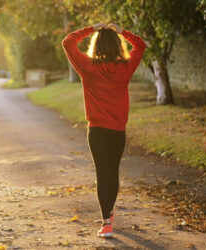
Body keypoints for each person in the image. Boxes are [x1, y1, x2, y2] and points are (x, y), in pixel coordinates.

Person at [62, 23, 146, 238]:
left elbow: (68, 42)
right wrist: (123, 31)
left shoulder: (87, 67)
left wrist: (91, 28)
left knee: (103, 174)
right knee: (113, 172)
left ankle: (106, 222)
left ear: (96, 45)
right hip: (117, 130)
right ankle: (108, 215)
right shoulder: (125, 67)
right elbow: (141, 45)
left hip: (97, 131)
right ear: (118, 45)